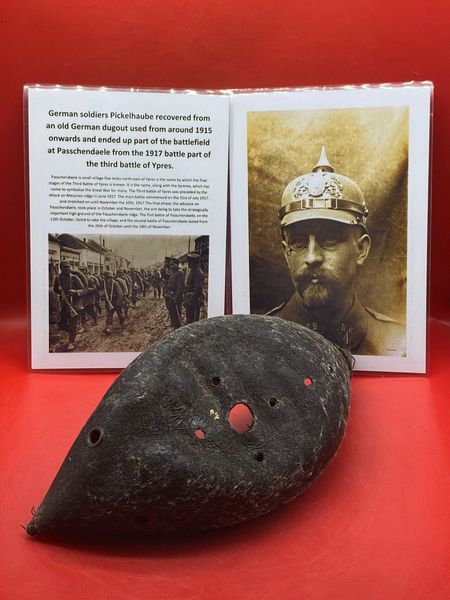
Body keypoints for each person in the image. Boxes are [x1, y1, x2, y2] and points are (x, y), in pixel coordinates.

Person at [268, 147, 405, 356]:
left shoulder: (398, 343)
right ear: (286, 252)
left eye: (330, 239)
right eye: (298, 242)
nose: (312, 257)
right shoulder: (259, 338)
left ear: (361, 249)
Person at [53, 260, 86, 351]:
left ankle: (72, 341)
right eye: (65, 267)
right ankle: (73, 332)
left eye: (68, 267)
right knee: (61, 324)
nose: (67, 269)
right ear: (61, 268)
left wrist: (75, 292)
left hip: (75, 305)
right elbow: (55, 290)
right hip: (65, 304)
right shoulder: (58, 279)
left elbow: (84, 290)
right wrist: (61, 292)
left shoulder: (74, 278)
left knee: (72, 324)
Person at [183, 253, 205, 324]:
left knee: (193, 321)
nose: (188, 264)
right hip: (190, 300)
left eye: (189, 262)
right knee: (189, 319)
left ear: (193, 263)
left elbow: (197, 291)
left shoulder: (198, 273)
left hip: (194, 301)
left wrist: (190, 302)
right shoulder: (193, 271)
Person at [164, 258, 185, 329]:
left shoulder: (180, 273)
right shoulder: (173, 272)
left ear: (177, 264)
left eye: (173, 264)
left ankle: (178, 327)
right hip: (170, 295)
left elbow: (180, 288)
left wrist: (176, 297)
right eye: (170, 264)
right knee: (171, 311)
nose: (171, 266)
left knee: (177, 313)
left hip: (175, 296)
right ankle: (173, 324)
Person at [102, 270, 125, 335]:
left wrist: (118, 303)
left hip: (117, 301)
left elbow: (120, 294)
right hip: (109, 302)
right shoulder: (104, 283)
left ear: (108, 276)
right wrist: (103, 297)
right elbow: (104, 292)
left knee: (120, 314)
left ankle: (122, 324)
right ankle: (108, 328)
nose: (103, 277)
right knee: (109, 315)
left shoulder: (115, 283)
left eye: (104, 276)